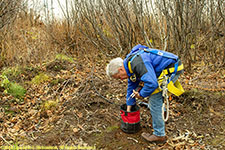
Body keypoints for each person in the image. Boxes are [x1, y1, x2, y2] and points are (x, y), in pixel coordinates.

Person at [106, 44, 184, 143]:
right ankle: (161, 114)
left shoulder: (137, 64)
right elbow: (131, 87)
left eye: (119, 77)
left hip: (171, 69)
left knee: (154, 101)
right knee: (153, 95)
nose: (121, 79)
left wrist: (141, 94)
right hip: (161, 70)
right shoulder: (129, 65)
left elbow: (152, 83)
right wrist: (129, 108)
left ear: (120, 69)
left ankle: (159, 135)